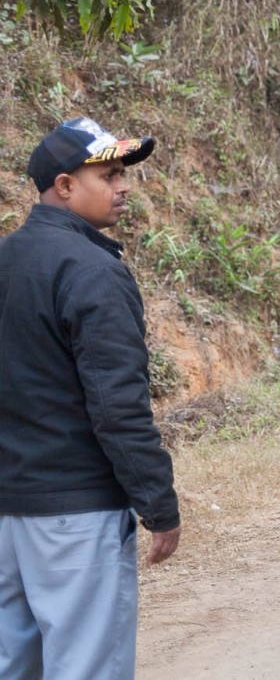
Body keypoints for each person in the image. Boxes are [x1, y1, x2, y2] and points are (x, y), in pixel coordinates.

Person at [0, 117, 182, 679]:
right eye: (109, 173)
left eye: (124, 172)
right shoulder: (92, 271)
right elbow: (117, 406)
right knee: (84, 668)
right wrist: (158, 502)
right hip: (75, 516)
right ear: (64, 185)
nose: (124, 186)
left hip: (8, 514)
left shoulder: (7, 260)